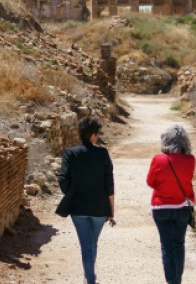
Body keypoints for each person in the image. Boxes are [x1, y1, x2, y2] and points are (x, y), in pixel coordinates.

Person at [57, 117, 115, 284]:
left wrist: (70, 192)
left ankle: (89, 278)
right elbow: (109, 184)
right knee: (91, 244)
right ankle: (90, 279)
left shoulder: (70, 153)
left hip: (78, 208)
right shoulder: (103, 153)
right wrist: (112, 211)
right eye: (97, 134)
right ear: (93, 135)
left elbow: (62, 180)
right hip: (100, 209)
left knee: (87, 245)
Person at [146, 125, 196, 284]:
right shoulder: (191, 160)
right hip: (183, 208)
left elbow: (150, 182)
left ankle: (171, 281)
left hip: (161, 207)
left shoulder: (158, 159)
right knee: (179, 244)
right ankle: (177, 281)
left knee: (167, 246)